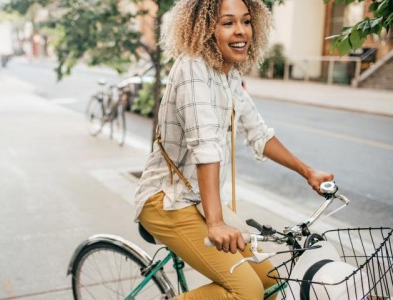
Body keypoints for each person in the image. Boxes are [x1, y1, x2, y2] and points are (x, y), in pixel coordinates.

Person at [134, 0, 335, 299]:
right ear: (205, 29)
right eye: (228, 23)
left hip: (197, 201)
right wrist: (215, 222)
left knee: (270, 283)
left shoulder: (229, 74)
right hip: (167, 200)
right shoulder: (193, 68)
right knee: (247, 292)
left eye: (245, 21)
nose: (240, 31)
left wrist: (308, 172)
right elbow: (204, 145)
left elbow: (258, 133)